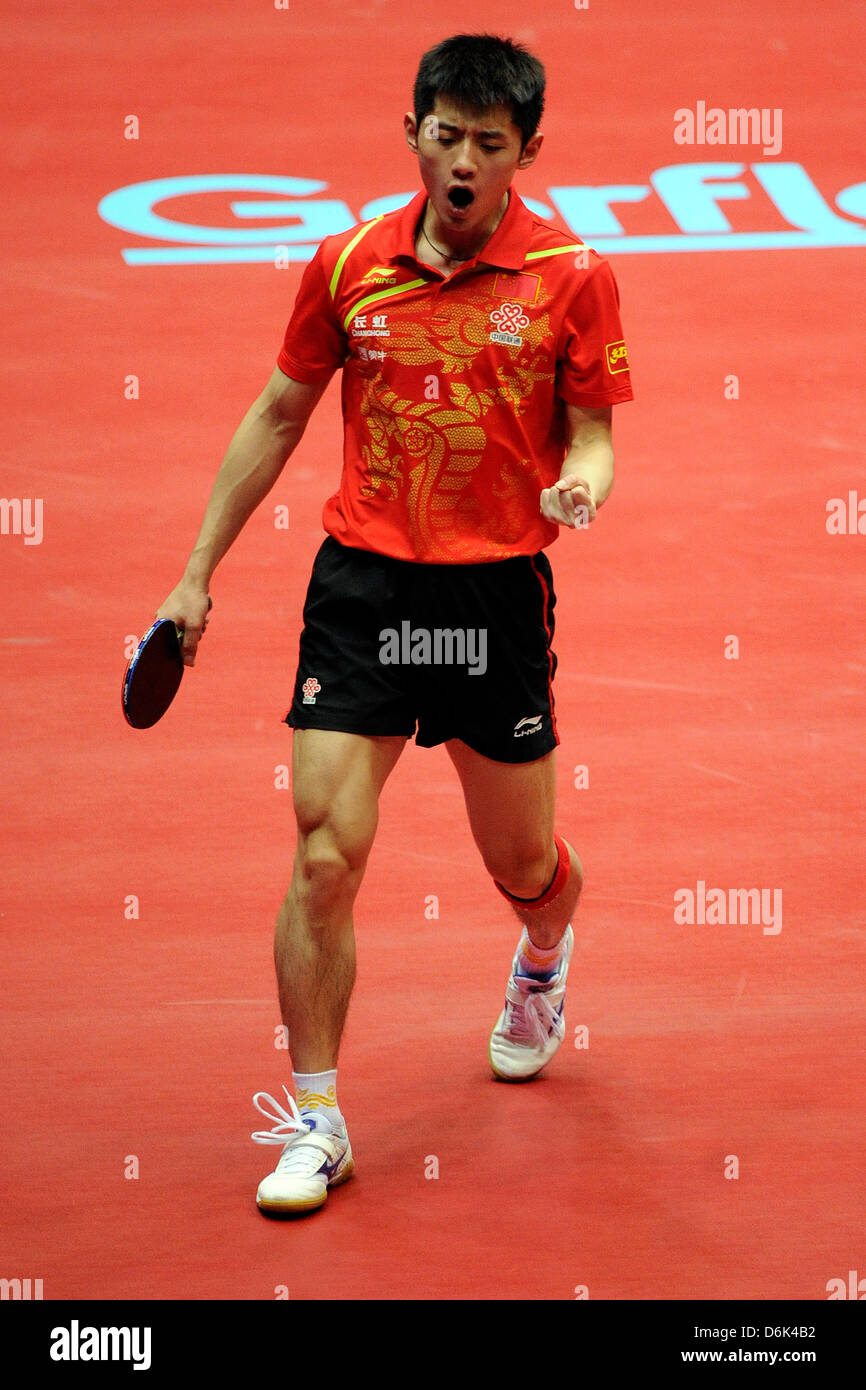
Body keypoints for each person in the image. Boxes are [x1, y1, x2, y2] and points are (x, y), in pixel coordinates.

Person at [157, 32, 633, 1217]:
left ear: (527, 149)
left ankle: (540, 959)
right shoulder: (348, 261)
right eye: (444, 133)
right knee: (323, 853)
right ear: (410, 131)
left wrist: (582, 482)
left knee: (525, 868)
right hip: (364, 590)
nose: (462, 158)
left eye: (489, 140)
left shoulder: (572, 273)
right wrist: (194, 572)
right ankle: (316, 1117)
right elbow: (278, 413)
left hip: (492, 600)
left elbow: (593, 429)